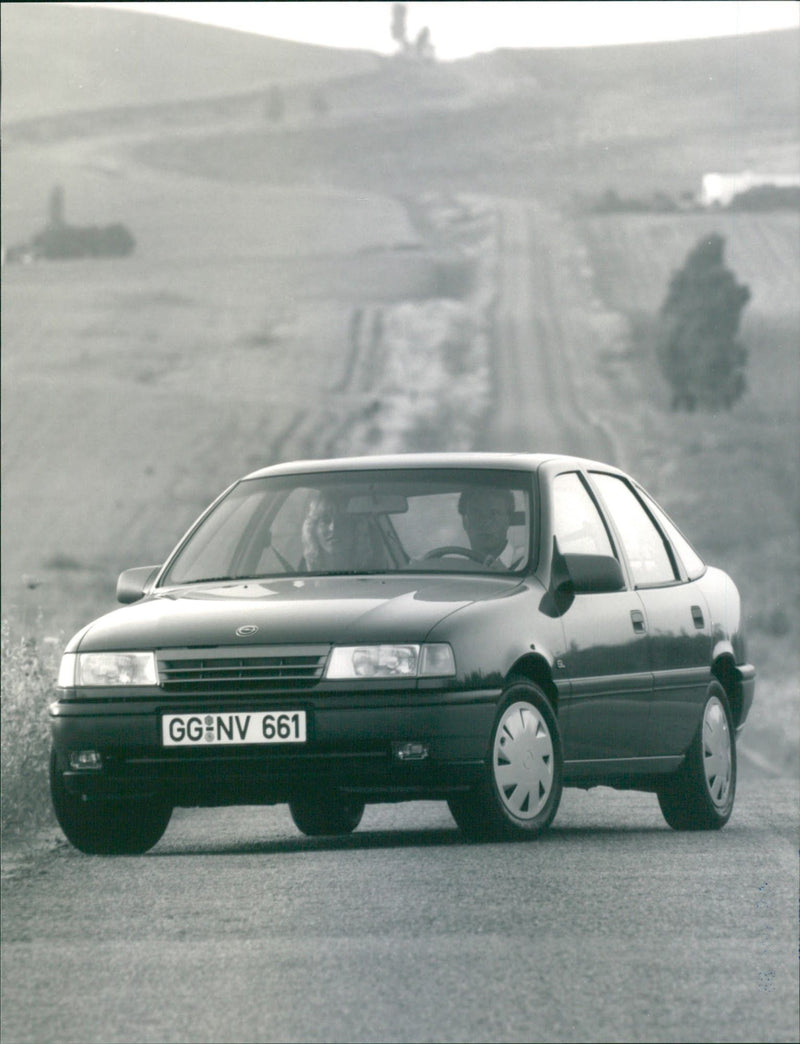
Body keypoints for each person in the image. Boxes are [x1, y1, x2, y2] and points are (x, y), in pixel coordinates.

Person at [301, 491, 384, 572]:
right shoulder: (297, 578)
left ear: (356, 529)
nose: (333, 528)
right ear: (313, 530)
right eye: (325, 521)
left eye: (342, 520)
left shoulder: (375, 577)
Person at [458, 486, 520, 569]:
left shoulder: (526, 565)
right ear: (465, 522)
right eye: (477, 514)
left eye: (494, 513)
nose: (485, 523)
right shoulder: (459, 570)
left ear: (508, 520)